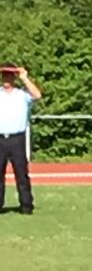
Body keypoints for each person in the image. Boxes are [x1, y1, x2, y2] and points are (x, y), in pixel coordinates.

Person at [0, 63, 42, 215]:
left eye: (9, 75)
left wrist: (24, 78)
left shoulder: (22, 95)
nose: (6, 78)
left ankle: (26, 205)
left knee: (21, 173)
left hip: (17, 139)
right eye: (4, 75)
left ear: (14, 77)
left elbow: (37, 95)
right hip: (0, 139)